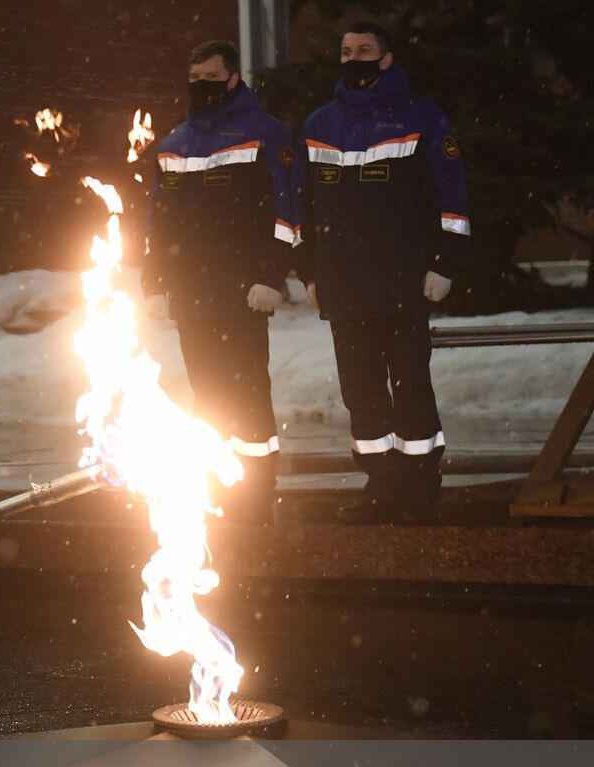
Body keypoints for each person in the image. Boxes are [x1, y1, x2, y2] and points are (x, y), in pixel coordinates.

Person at [293, 21, 470, 524]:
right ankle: (380, 487)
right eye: (346, 50)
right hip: (343, 287)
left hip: (403, 281)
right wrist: (308, 272)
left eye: (365, 50)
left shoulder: (423, 119)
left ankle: (418, 488)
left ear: (386, 59)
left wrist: (445, 264)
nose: (354, 59)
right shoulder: (318, 125)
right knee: (360, 390)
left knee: (411, 382)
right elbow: (302, 207)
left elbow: (452, 199)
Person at [142, 40, 295, 524]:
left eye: (212, 77)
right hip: (192, 292)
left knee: (247, 390)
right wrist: (153, 281)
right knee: (207, 394)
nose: (202, 86)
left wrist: (271, 275)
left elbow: (287, 211)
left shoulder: (266, 133)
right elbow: (158, 220)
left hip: (243, 291)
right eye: (196, 77)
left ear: (233, 79)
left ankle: (255, 496)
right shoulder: (173, 144)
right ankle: (214, 489)